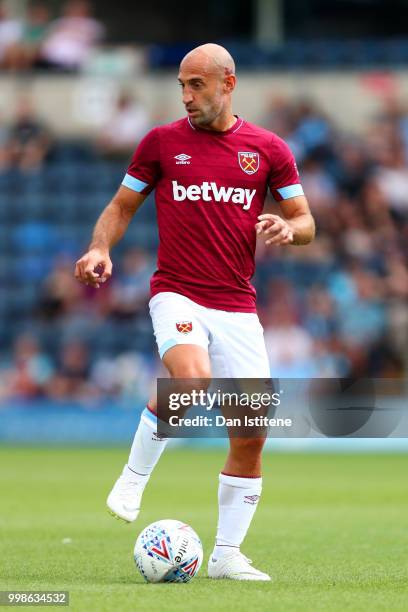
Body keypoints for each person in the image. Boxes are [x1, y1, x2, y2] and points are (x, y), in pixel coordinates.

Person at [75, 43, 315, 581]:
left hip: (237, 303)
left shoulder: (269, 149)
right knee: (191, 378)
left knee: (251, 432)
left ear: (228, 84)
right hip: (178, 292)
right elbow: (121, 206)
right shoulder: (160, 144)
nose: (186, 95)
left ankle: (226, 555)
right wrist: (100, 248)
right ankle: (134, 478)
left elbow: (305, 220)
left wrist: (287, 229)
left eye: (197, 85)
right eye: (182, 85)